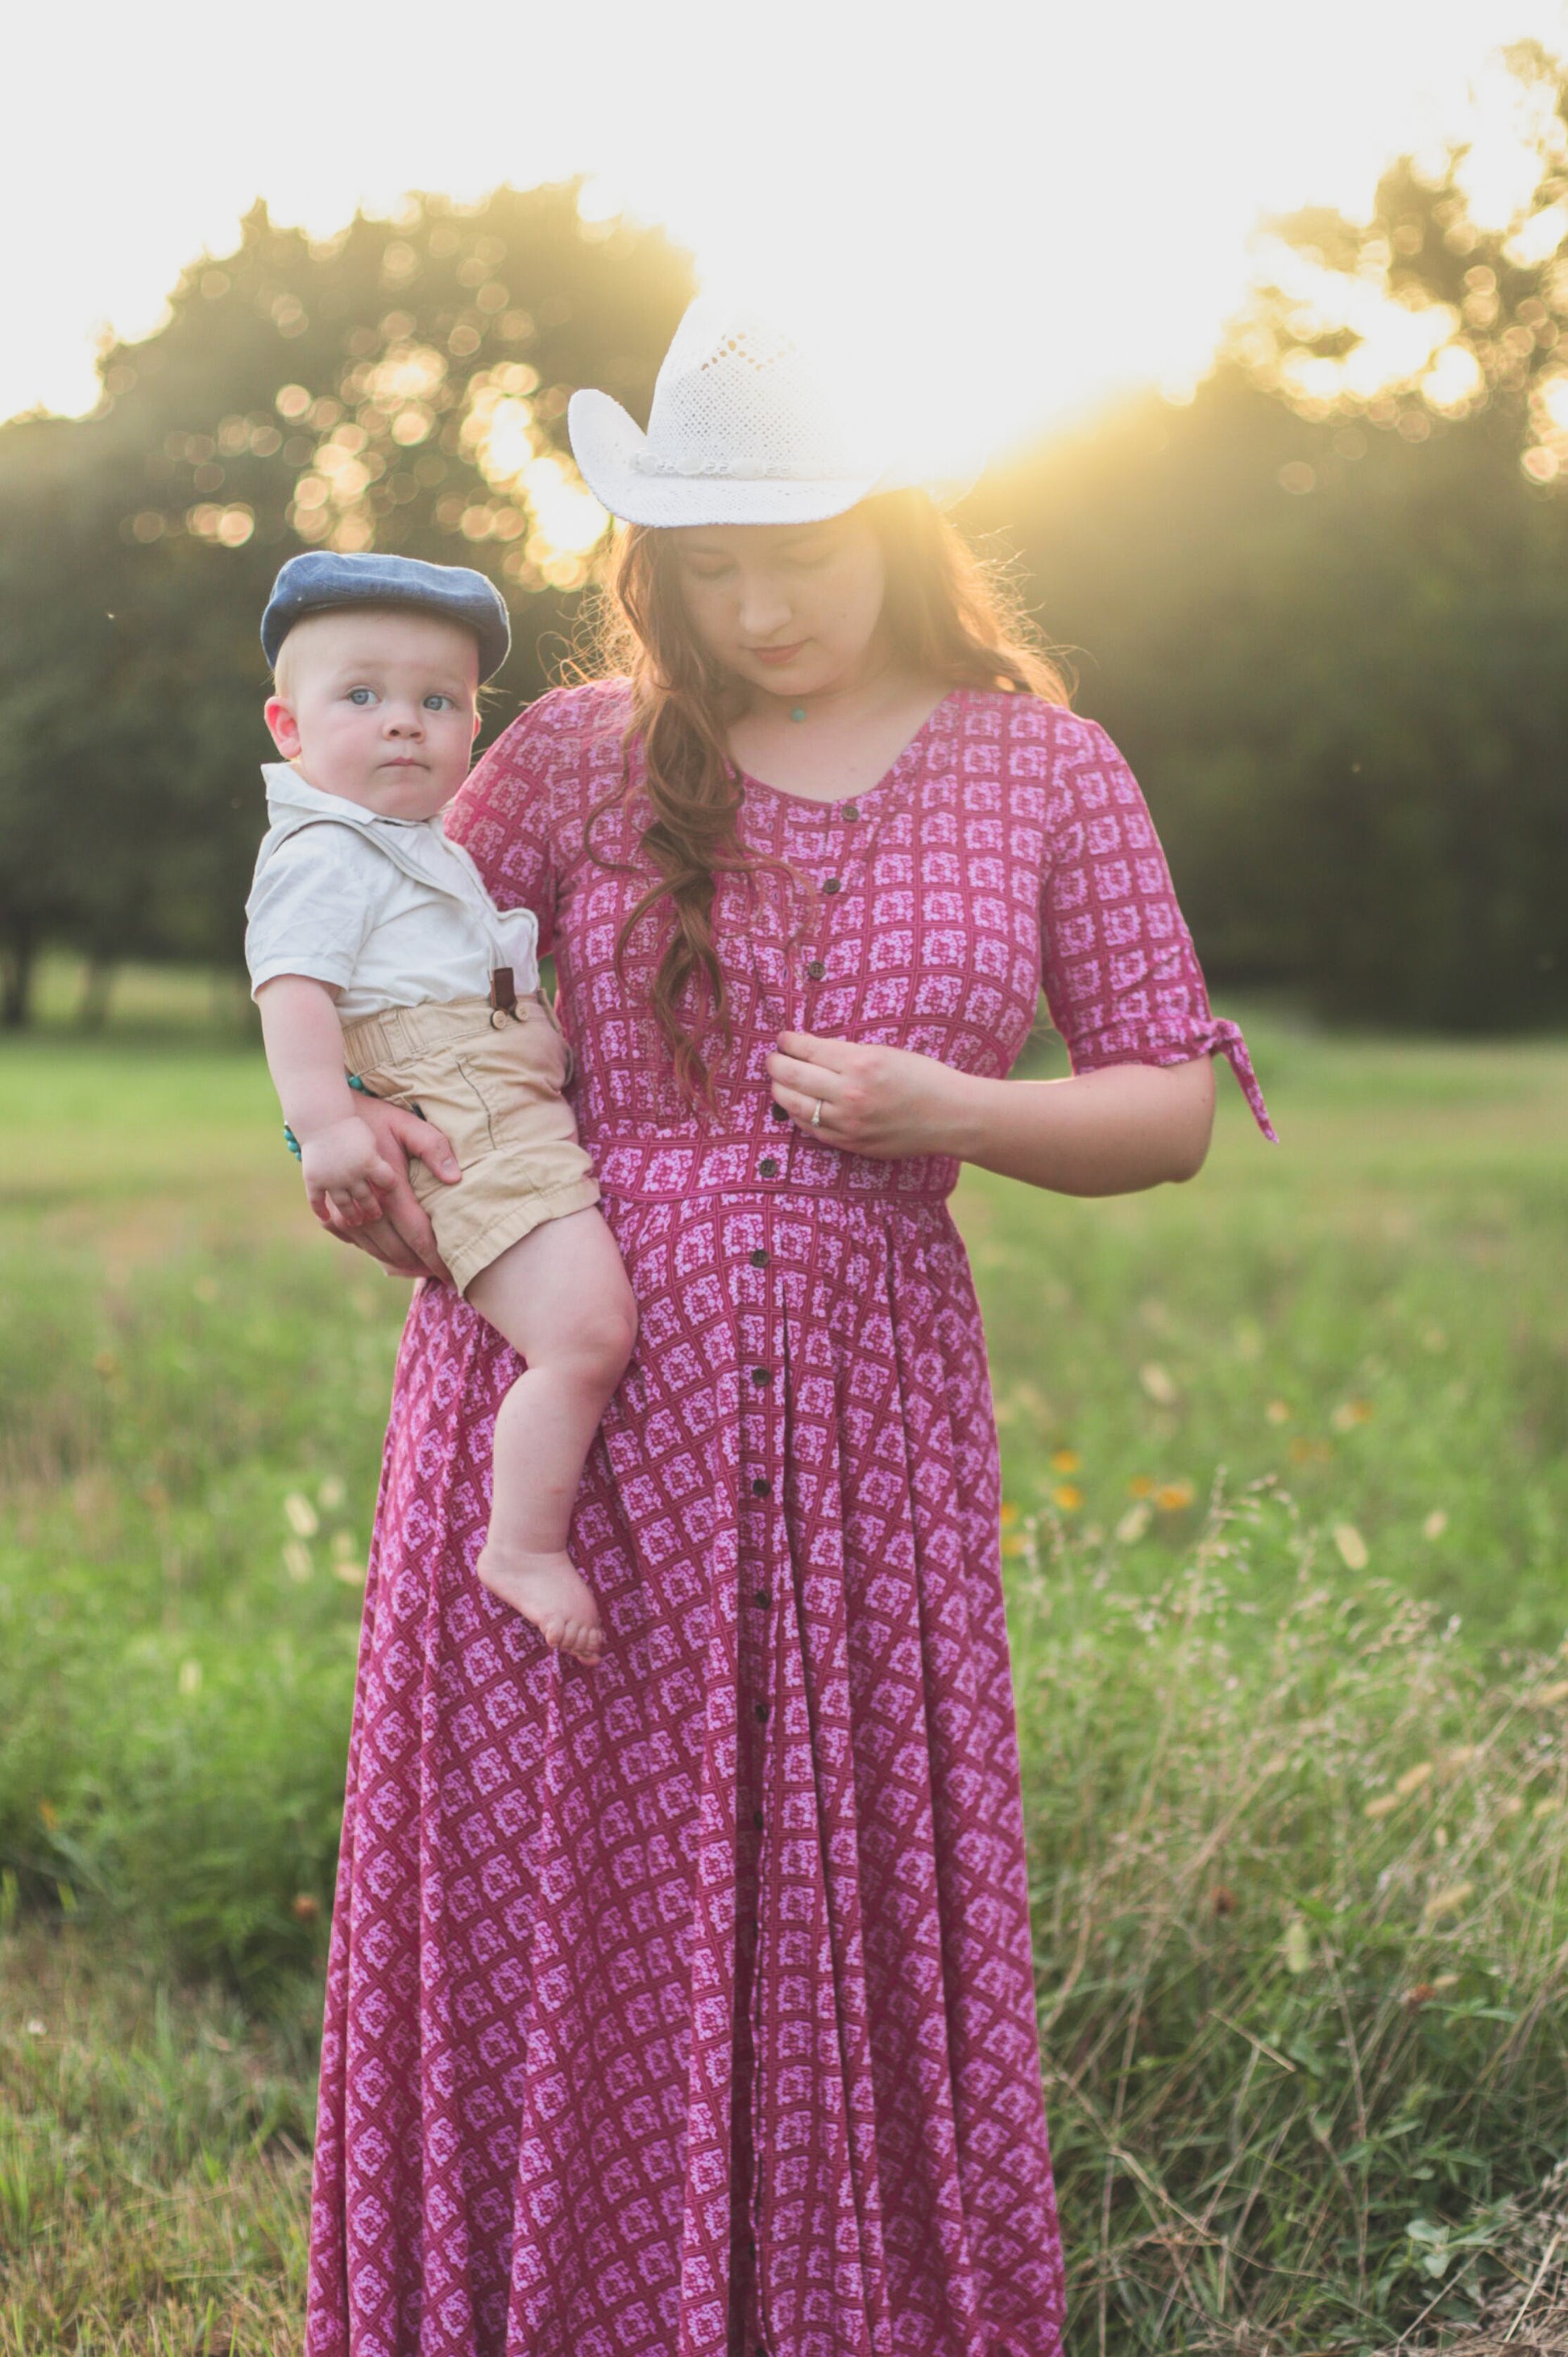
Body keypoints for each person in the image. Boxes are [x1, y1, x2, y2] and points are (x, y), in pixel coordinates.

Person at [303, 301, 1276, 2357]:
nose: (757, 609)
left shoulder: (1043, 767)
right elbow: (385, 971)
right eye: (709, 566)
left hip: (865, 1429)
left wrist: (963, 1114)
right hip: (550, 1394)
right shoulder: (572, 751)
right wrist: (390, 1151)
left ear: (900, 524)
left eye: (800, 557)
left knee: (832, 1891)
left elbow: (1169, 1103)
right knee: (565, 1887)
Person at [247, 551, 637, 1662]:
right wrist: (323, 1126)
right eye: (361, 697)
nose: (405, 724)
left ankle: (527, 1534)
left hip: (495, 1094)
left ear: (474, 724)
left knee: (586, 1326)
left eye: (438, 701)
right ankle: (521, 1544)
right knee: (585, 1333)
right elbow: (294, 992)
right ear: (289, 726)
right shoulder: (325, 848)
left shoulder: (411, 846)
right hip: (462, 1109)